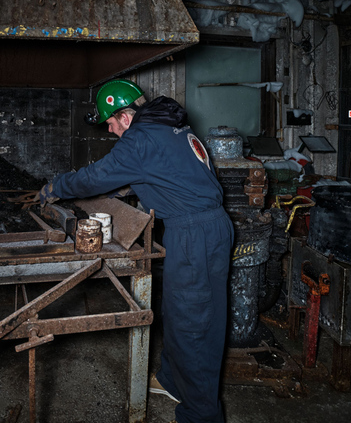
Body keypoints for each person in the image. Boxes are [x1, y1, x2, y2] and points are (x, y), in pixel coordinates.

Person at [39, 79, 234, 423]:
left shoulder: (139, 139)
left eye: (111, 124)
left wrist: (58, 185)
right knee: (181, 310)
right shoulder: (171, 129)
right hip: (207, 227)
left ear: (124, 116)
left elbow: (92, 178)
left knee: (195, 324)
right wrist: (135, 183)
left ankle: (201, 414)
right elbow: (173, 173)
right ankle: (174, 380)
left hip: (193, 234)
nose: (112, 131)